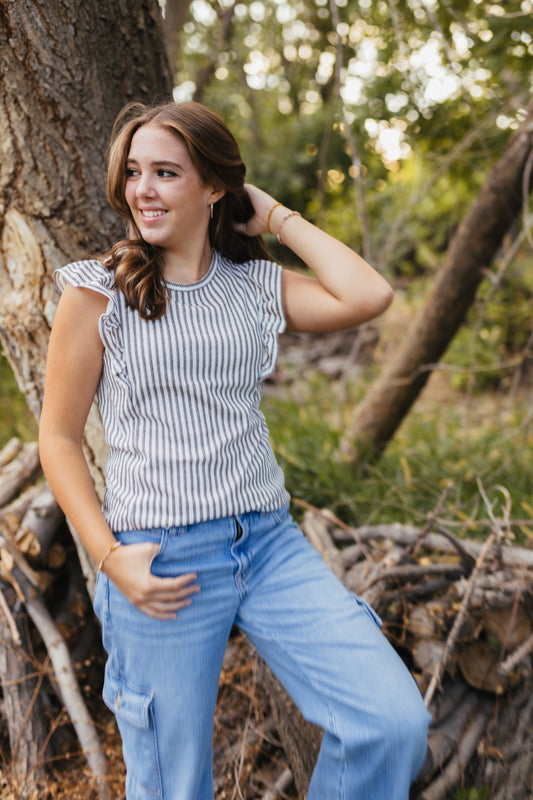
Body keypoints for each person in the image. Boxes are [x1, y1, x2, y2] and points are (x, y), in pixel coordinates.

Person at [39, 99, 430, 800]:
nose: (143, 190)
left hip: (268, 546)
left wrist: (276, 217)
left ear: (215, 187)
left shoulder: (254, 286)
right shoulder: (97, 294)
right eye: (134, 172)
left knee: (389, 720)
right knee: (172, 786)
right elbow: (60, 438)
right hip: (159, 561)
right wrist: (108, 556)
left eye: (166, 172)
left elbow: (369, 292)